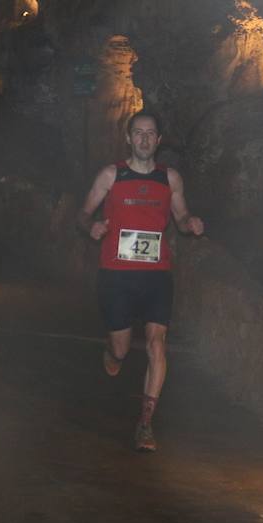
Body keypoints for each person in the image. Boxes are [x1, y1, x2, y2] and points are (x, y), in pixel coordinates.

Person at [77, 111, 205, 452]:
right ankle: (113, 351)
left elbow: (179, 217)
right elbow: (83, 212)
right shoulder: (111, 175)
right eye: (139, 133)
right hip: (116, 275)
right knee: (121, 348)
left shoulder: (170, 179)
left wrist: (191, 222)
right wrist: (90, 226)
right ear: (129, 138)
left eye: (151, 134)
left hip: (156, 276)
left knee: (156, 345)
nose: (145, 139)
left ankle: (145, 423)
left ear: (158, 140)